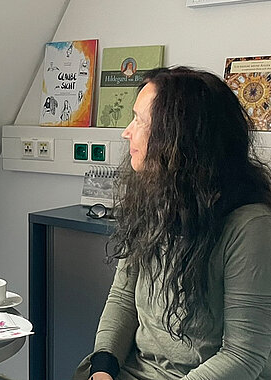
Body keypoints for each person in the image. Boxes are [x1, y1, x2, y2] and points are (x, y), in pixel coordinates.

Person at [74, 66, 271, 380]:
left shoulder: (250, 226)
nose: (127, 131)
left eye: (139, 120)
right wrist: (103, 369)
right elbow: (122, 299)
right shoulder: (156, 200)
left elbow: (243, 356)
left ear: (176, 137)